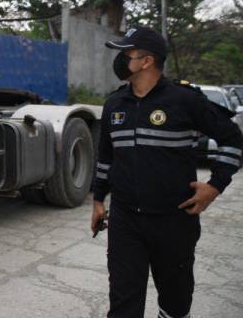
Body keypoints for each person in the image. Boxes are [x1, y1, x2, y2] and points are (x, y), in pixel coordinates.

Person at [91, 26, 242, 318]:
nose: (121, 60)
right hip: (125, 220)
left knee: (175, 302)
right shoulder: (114, 104)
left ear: (146, 61)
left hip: (175, 221)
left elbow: (233, 139)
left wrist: (215, 186)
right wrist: (98, 200)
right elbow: (106, 157)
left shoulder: (186, 100)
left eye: (126, 54)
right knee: (122, 304)